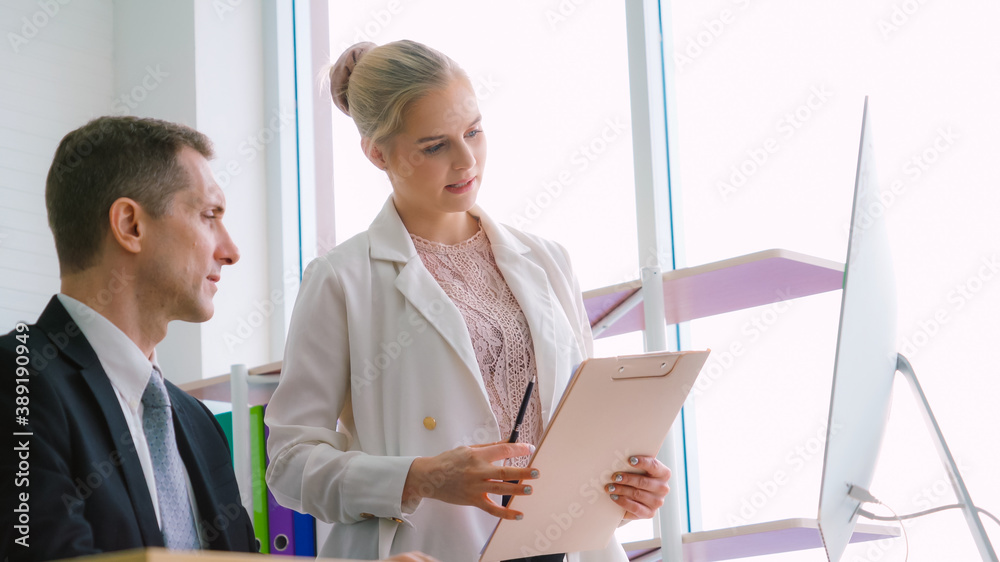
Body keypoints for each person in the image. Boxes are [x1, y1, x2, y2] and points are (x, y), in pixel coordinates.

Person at [264, 40, 672, 562]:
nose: (466, 161)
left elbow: (581, 420)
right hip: (429, 549)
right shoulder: (342, 280)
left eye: (474, 132)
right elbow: (290, 466)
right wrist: (420, 477)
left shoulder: (547, 261)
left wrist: (630, 484)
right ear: (377, 152)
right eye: (435, 146)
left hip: (568, 548)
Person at [0, 117, 435, 562]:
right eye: (209, 216)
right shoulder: (14, 377)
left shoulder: (194, 421)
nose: (230, 251)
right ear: (130, 225)